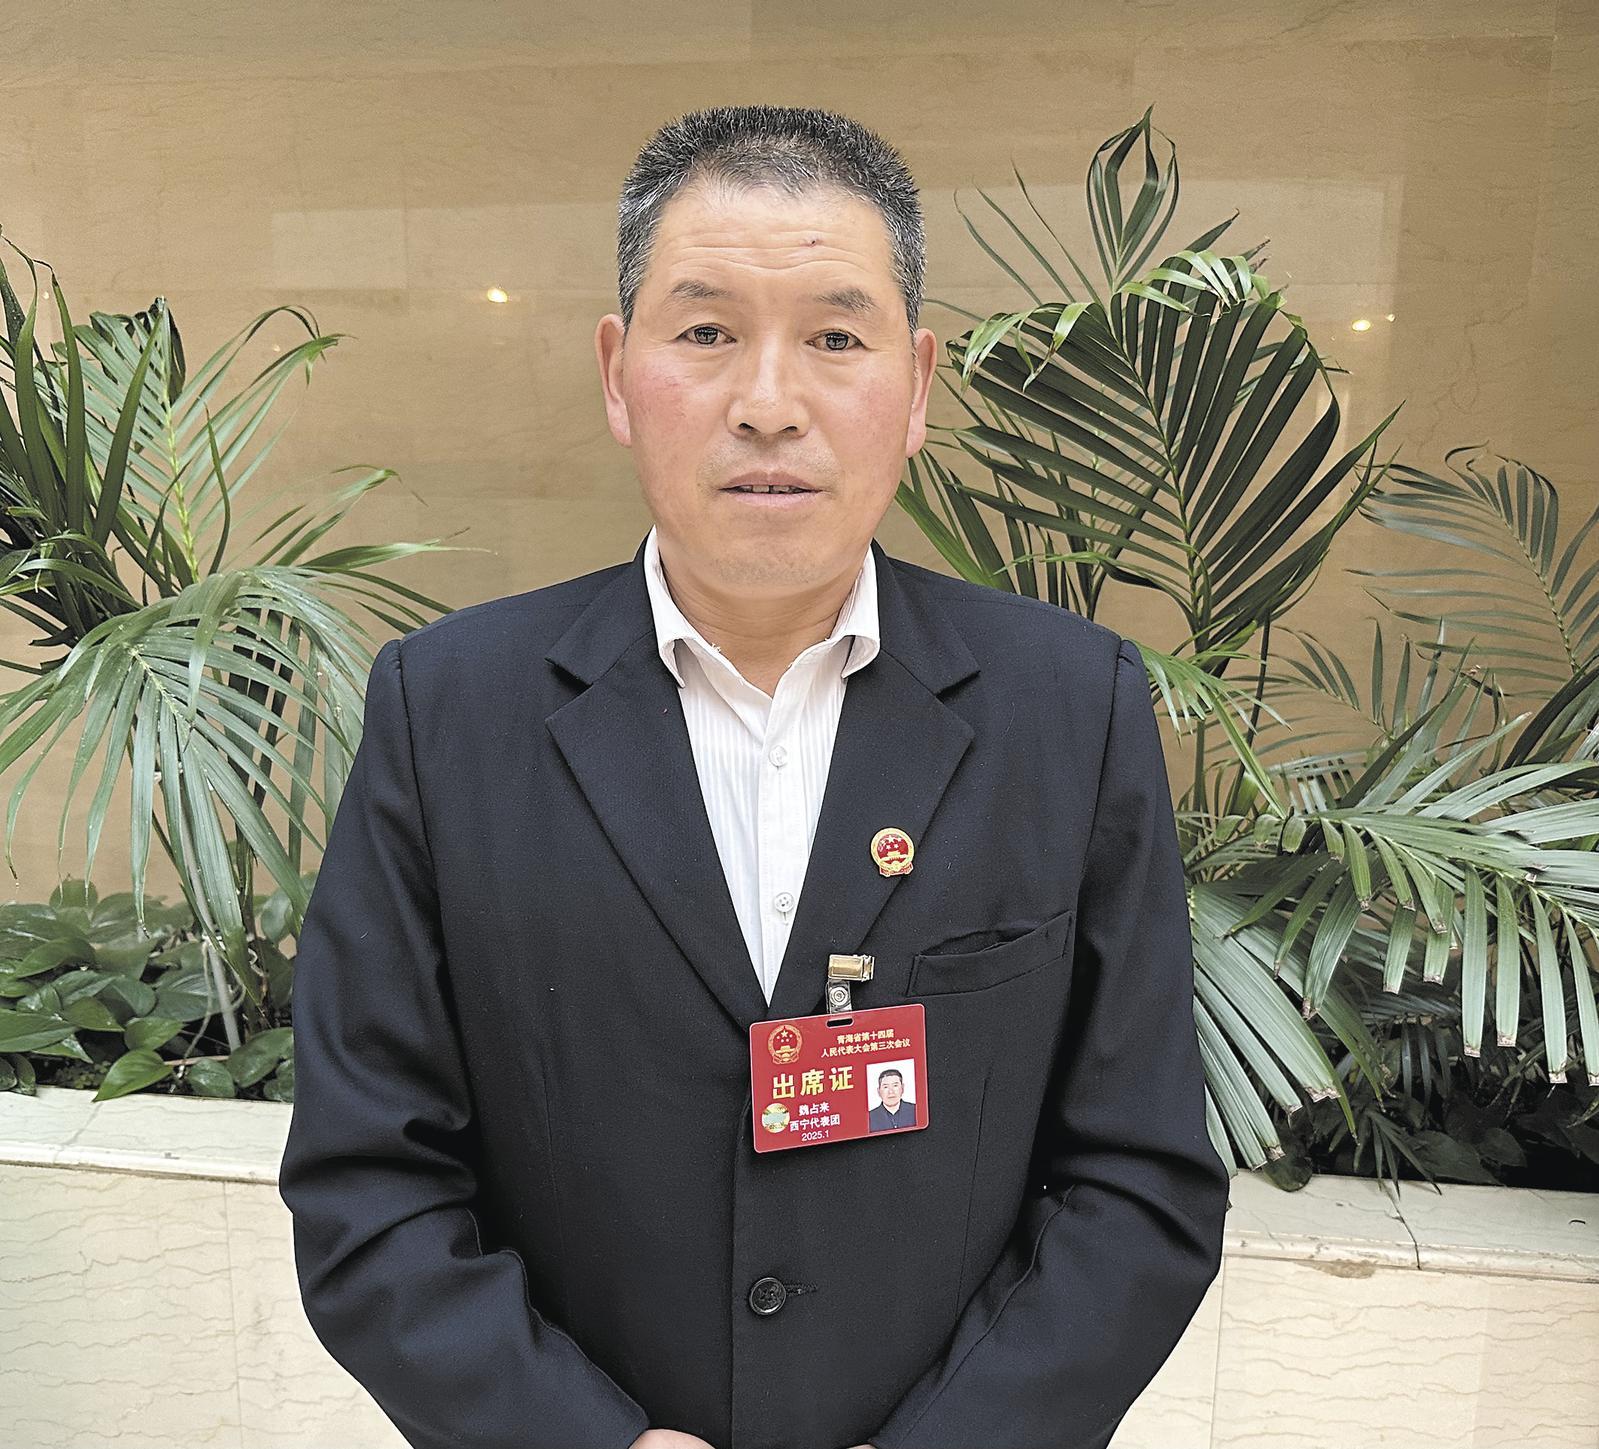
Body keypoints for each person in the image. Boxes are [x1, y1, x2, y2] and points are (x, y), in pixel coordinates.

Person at [277, 103, 1231, 1449]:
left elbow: (1137, 1176)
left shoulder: (1068, 711)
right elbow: (368, 1180)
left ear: (917, 386)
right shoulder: (448, 714)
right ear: (618, 373)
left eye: (836, 339)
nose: (768, 404)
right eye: (706, 331)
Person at [867, 1068, 917, 1132]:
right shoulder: (869, 1118)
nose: (891, 1091)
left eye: (895, 1085)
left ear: (902, 1088)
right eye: (886, 1087)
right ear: (878, 1091)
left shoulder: (916, 1110)